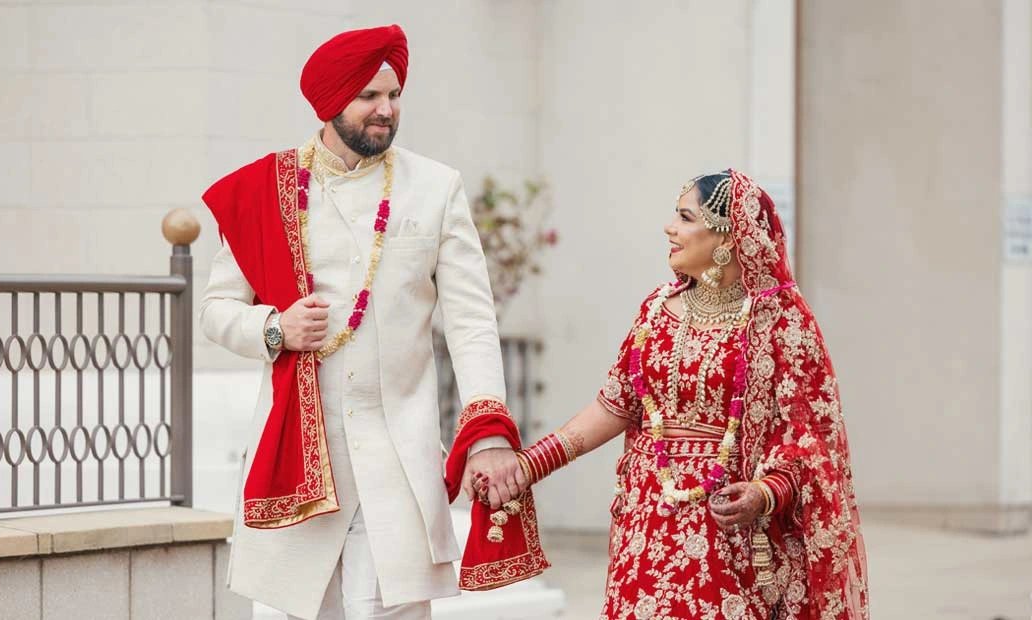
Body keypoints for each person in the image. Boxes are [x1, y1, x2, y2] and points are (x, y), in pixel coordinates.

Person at [198, 24, 528, 620]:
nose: (386, 110)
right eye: (369, 96)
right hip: (300, 457)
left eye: (394, 95)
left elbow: (472, 322)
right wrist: (275, 329)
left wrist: (488, 433)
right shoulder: (266, 190)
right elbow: (216, 310)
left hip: (398, 457)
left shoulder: (435, 188)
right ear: (330, 102)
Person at [510, 170, 870, 619]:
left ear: (727, 236)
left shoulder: (779, 321)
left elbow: (811, 439)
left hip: (731, 533)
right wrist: (530, 465)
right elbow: (614, 405)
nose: (670, 228)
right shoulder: (655, 311)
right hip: (648, 520)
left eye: (684, 218)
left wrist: (764, 492)